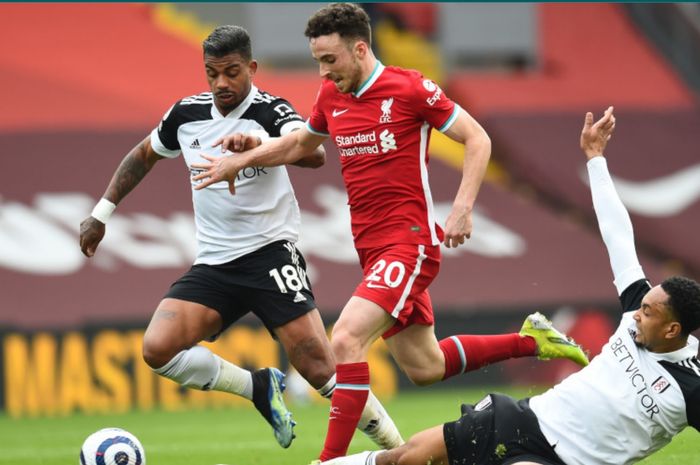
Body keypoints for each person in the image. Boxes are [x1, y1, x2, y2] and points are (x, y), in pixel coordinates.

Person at [191, 4, 590, 462]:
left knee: (344, 339)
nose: (323, 71)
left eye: (330, 59)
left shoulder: (409, 87)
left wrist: (461, 208)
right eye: (318, 60)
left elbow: (477, 138)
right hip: (371, 247)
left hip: (410, 240)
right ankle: (532, 340)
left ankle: (330, 461)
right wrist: (245, 156)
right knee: (424, 366)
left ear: (360, 48)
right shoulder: (330, 95)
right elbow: (301, 143)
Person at [78, 24, 404, 451]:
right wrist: (102, 212)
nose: (221, 83)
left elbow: (314, 152)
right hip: (215, 263)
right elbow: (143, 155)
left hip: (271, 254)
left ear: (250, 67)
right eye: (212, 73)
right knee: (158, 349)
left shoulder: (270, 111)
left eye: (231, 72)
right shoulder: (186, 114)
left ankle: (400, 448)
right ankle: (257, 387)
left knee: (321, 369)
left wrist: (258, 144)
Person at [315, 107, 700, 465]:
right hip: (525, 420)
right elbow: (618, 234)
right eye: (642, 304)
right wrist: (595, 158)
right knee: (410, 457)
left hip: (564, 461)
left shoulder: (692, 388)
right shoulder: (636, 310)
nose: (636, 314)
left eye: (648, 312)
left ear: (672, 329)